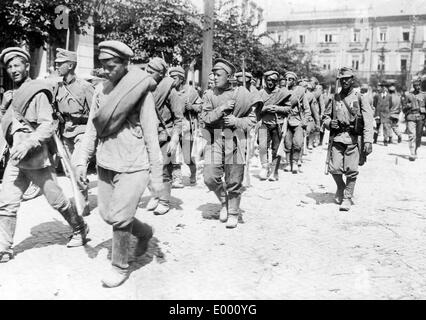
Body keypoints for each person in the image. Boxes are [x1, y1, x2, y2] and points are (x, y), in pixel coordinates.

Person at [75, 40, 163, 287]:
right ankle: (144, 232)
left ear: (126, 63)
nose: (105, 70)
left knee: (121, 218)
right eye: (102, 65)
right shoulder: (101, 90)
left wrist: (157, 176)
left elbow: (151, 135)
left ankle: (119, 266)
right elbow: (92, 128)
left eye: (111, 65)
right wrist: (82, 161)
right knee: (107, 214)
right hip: (106, 162)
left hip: (134, 163)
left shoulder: (141, 91)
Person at [0, 47, 89, 263]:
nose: (13, 70)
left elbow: (47, 125)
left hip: (36, 158)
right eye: (9, 66)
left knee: (56, 199)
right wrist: (4, 110)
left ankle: (80, 227)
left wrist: (28, 143)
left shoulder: (37, 91)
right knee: (6, 202)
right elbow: (7, 124)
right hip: (15, 157)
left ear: (27, 67)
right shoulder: (10, 95)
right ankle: (4, 247)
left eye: (17, 65)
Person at [201, 58, 256, 228]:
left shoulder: (243, 94)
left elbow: (252, 120)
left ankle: (233, 212)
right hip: (215, 137)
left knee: (234, 178)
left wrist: (236, 121)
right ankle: (223, 200)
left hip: (236, 137)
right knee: (210, 176)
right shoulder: (210, 95)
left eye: (218, 75)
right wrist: (222, 108)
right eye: (213, 74)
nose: (215, 77)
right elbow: (205, 118)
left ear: (229, 76)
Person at [323, 67, 374, 211]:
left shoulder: (360, 97)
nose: (345, 81)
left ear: (352, 80)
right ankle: (340, 187)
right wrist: (328, 123)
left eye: (347, 78)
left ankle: (347, 197)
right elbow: (326, 116)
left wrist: (368, 141)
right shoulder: (334, 98)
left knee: (351, 170)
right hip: (337, 138)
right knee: (334, 168)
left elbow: (368, 120)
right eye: (342, 79)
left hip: (353, 139)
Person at [54, 48, 94, 214]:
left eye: (60, 64)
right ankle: (81, 198)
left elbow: (95, 114)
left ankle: (82, 206)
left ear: (70, 65)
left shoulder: (85, 87)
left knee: (78, 168)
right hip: (65, 134)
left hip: (82, 132)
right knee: (70, 172)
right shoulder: (57, 87)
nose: (56, 66)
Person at [145, 57, 184, 215]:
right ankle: (155, 194)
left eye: (151, 72)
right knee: (145, 169)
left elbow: (178, 119)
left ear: (161, 74)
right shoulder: (145, 88)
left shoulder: (170, 91)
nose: (147, 74)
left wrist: (175, 139)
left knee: (164, 170)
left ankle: (164, 201)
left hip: (165, 135)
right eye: (147, 70)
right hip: (148, 134)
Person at [169, 66, 202, 187]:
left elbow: (200, 107)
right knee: (174, 154)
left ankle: (193, 173)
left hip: (186, 127)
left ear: (182, 78)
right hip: (173, 127)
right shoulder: (169, 91)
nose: (172, 80)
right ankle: (177, 178)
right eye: (170, 77)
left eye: (175, 78)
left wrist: (192, 107)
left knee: (187, 156)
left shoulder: (191, 92)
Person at [258, 70, 291, 181]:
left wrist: (277, 108)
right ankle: (264, 167)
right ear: (265, 80)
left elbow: (288, 109)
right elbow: (255, 110)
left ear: (276, 81)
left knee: (276, 149)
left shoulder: (282, 93)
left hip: (278, 124)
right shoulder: (261, 93)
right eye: (268, 80)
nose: (270, 82)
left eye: (273, 80)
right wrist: (265, 109)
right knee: (262, 146)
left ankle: (274, 171)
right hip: (264, 124)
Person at [283, 71, 309, 173]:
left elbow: (307, 108)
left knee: (297, 143)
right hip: (287, 120)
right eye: (286, 79)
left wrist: (305, 121)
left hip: (298, 120)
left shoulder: (300, 91)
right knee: (287, 143)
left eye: (290, 79)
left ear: (294, 80)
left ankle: (295, 162)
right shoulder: (283, 91)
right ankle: (288, 163)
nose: (288, 81)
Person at [402, 78, 426, 161]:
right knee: (412, 135)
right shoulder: (408, 95)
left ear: (420, 85)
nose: (418, 87)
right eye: (416, 85)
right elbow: (403, 109)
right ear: (413, 86)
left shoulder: (424, 95)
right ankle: (412, 153)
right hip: (411, 116)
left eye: (419, 85)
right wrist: (407, 106)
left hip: (420, 117)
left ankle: (416, 150)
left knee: (418, 136)